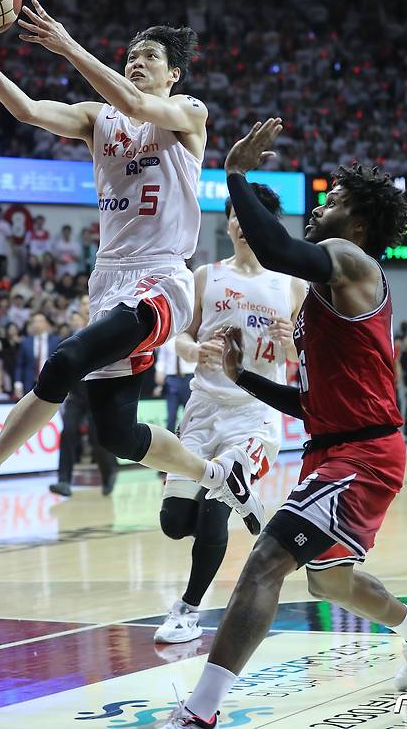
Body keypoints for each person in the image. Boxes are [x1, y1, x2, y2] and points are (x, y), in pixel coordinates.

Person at [0, 0, 261, 527]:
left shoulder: (188, 113)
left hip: (162, 279)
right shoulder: (98, 118)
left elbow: (139, 105)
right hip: (109, 282)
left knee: (63, 362)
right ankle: (217, 476)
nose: (136, 62)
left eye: (148, 56)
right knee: (118, 434)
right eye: (131, 55)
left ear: (174, 73)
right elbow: (27, 109)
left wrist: (67, 44)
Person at [165, 121, 407, 729]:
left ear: (355, 227)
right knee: (329, 584)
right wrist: (244, 377)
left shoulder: (350, 260)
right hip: (338, 448)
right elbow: (311, 405)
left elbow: (275, 249)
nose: (319, 208)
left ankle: (199, 714)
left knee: (267, 558)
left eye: (332, 203)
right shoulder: (329, 292)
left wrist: (236, 174)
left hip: (362, 456)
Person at [155, 183, 305, 645]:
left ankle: (187, 610)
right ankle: (246, 498)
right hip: (202, 409)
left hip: (254, 415)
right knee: (175, 522)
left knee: (212, 515)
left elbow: (306, 357)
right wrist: (193, 349)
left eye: (253, 214)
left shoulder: (292, 285)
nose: (243, 222)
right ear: (228, 223)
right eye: (236, 214)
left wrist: (291, 345)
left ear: (269, 224)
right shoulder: (205, 275)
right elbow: (179, 337)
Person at [50, 313, 119, 497]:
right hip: (74, 395)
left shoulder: (103, 335)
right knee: (68, 431)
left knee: (96, 438)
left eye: (79, 316)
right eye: (72, 318)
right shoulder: (66, 341)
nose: (75, 320)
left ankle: (109, 473)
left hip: (97, 393)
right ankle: (63, 480)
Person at [13, 311, 61, 399]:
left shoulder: (56, 341)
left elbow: (61, 364)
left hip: (49, 381)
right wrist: (18, 384)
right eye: (35, 321)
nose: (37, 324)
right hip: (29, 382)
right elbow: (20, 364)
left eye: (40, 321)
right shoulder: (25, 342)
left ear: (46, 324)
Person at [153, 337, 196, 434]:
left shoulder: (192, 336)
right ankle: (170, 444)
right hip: (171, 378)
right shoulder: (168, 337)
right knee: (171, 416)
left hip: (189, 377)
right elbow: (162, 358)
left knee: (190, 415)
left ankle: (189, 440)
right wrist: (159, 371)